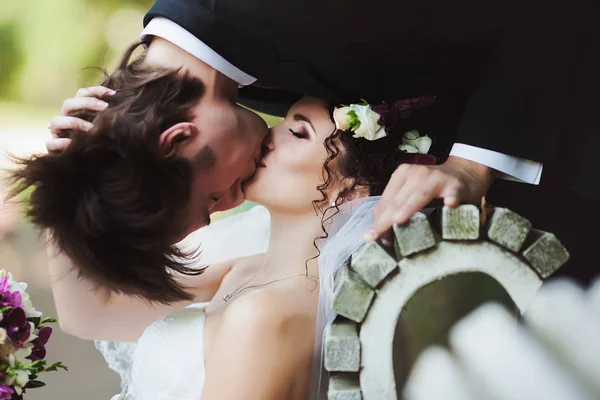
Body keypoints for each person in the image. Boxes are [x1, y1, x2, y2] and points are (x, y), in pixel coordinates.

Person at [46, 0, 598, 284]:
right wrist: (83, 175)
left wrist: (470, 166)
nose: (233, 200)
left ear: (180, 138)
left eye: (209, 200)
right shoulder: (220, 51)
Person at [14, 87, 433, 398]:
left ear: (354, 191)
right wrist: (68, 173)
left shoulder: (267, 314)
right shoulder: (244, 269)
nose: (270, 134)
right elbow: (91, 314)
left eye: (298, 132)